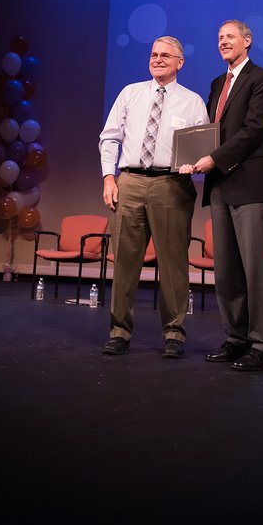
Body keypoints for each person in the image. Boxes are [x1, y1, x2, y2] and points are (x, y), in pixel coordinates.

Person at [99, 35, 208, 359]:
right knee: (125, 262)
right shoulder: (130, 93)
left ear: (180, 62)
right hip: (130, 181)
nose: (158, 59)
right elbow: (109, 137)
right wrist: (109, 177)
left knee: (174, 263)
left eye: (165, 55)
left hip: (171, 184)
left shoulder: (192, 102)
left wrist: (196, 163)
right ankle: (119, 331)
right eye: (154, 54)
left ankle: (174, 334)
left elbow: (202, 148)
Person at [181, 19, 263, 372]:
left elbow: (254, 131)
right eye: (219, 37)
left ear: (247, 41)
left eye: (230, 36)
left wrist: (213, 158)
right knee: (227, 271)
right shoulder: (217, 83)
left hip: (250, 185)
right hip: (219, 186)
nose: (223, 42)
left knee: (255, 270)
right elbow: (209, 131)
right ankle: (236, 339)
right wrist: (189, 157)